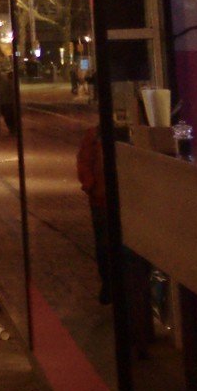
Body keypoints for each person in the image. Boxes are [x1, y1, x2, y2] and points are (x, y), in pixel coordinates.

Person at [76, 124, 111, 304]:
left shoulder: (95, 134)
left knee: (105, 244)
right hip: (101, 199)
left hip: (103, 197)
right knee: (104, 245)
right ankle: (108, 284)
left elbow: (83, 161)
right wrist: (91, 185)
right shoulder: (95, 134)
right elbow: (84, 161)